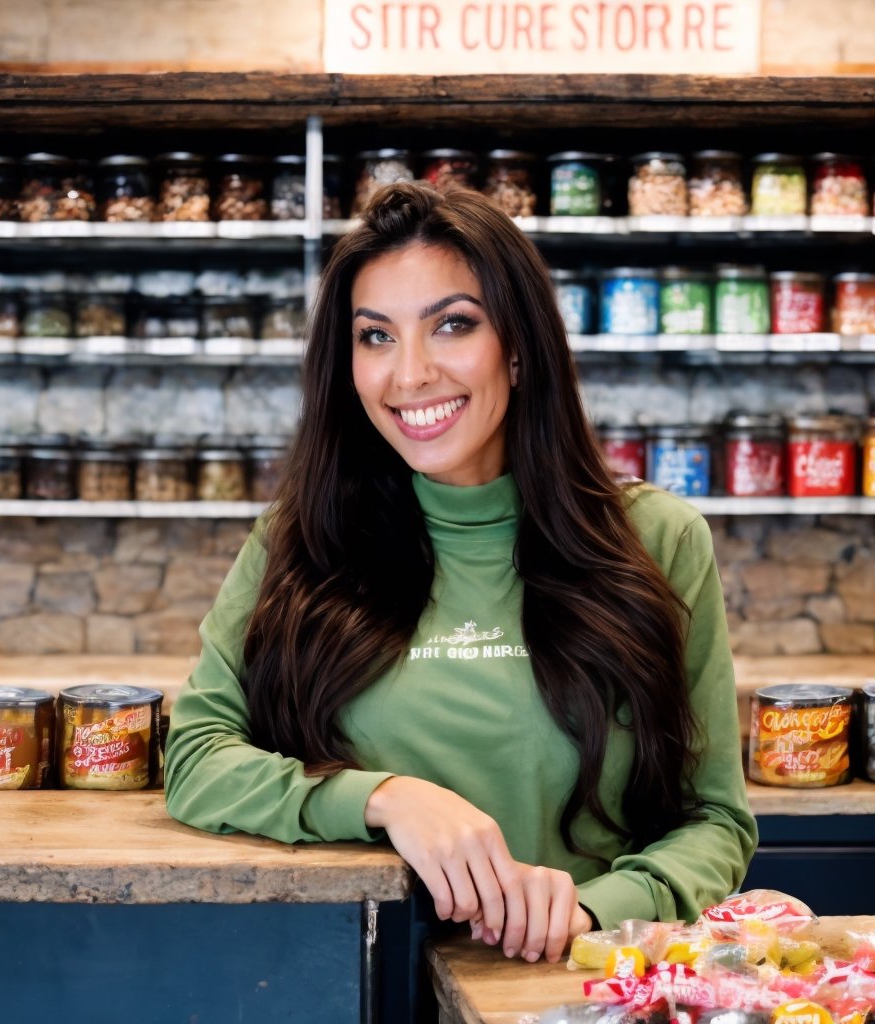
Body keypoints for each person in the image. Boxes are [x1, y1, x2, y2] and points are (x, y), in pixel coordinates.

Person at [164, 182, 756, 967]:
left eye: (451, 325)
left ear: (517, 344)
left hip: (565, 989)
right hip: (341, 980)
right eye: (374, 337)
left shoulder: (657, 539)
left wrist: (591, 908)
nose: (409, 375)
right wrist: (385, 798)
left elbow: (715, 819)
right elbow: (197, 758)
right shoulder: (297, 540)